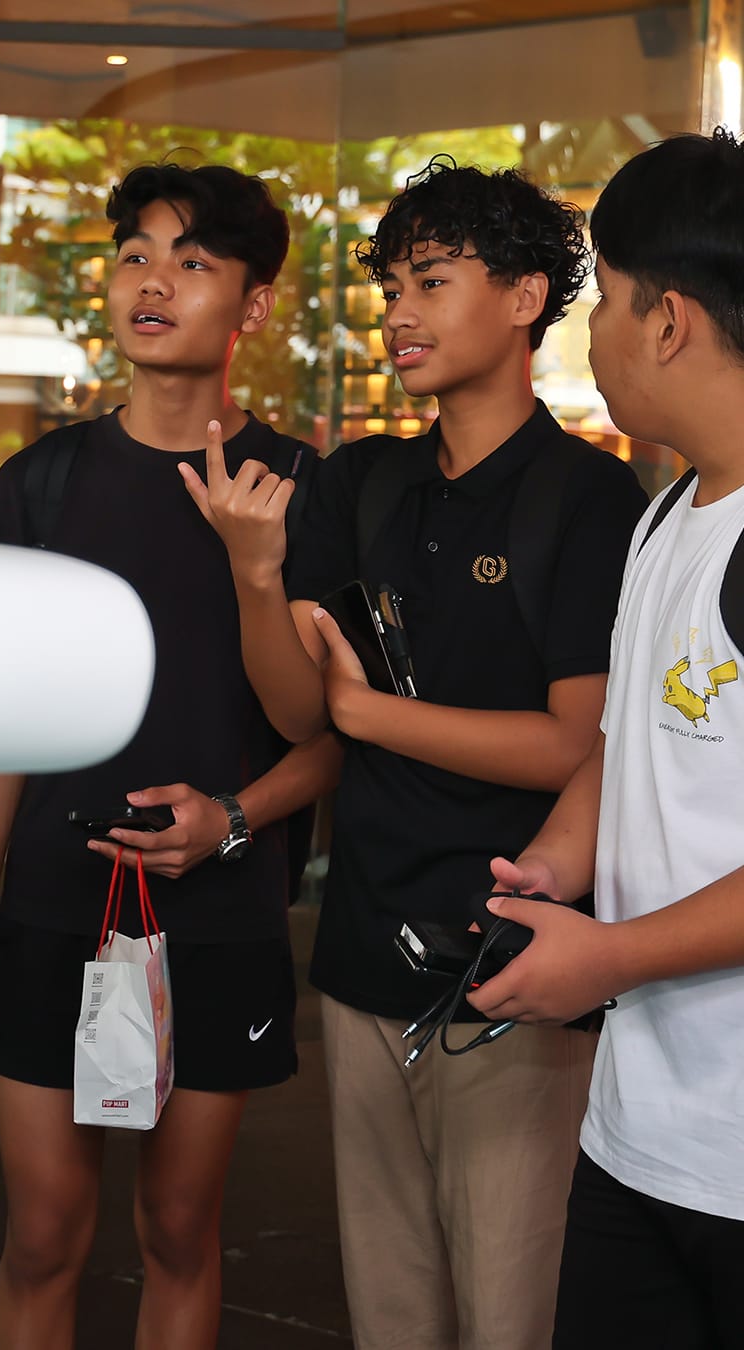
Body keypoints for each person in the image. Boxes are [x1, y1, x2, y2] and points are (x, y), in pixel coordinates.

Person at [182, 156, 648, 1350]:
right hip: (359, 954)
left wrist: (374, 715)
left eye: (430, 281)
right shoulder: (366, 481)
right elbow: (297, 710)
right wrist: (251, 572)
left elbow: (572, 749)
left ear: (527, 297)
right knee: (389, 1307)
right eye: (390, 285)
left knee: (512, 1308)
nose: (397, 312)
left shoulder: (587, 501)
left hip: (512, 971)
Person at [0, 162, 341, 1350]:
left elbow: (318, 731)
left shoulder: (298, 487)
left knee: (180, 1227)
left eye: (192, 260)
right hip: (54, 909)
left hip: (218, 916)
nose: (152, 281)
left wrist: (253, 564)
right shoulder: (41, 482)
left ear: (254, 306)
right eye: (134, 254)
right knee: (42, 1234)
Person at [465, 129, 744, 1350]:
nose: (597, 338)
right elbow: (626, 743)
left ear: (668, 319)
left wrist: (614, 955)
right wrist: (555, 865)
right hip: (639, 1137)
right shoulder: (666, 512)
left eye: (608, 305)